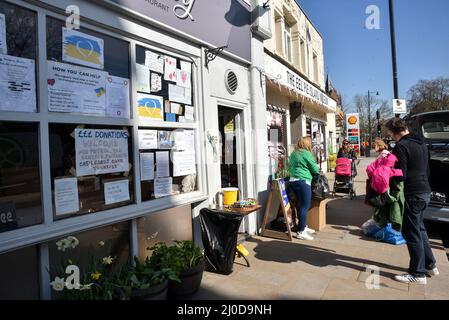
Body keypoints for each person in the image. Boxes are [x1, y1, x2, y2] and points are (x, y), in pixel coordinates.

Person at [385, 117, 439, 284]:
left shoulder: (401, 146)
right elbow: (428, 169)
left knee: (412, 233)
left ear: (394, 131)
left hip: (413, 193)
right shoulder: (421, 143)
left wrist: (388, 168)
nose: (390, 136)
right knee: (420, 230)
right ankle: (430, 264)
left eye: (390, 133)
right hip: (425, 191)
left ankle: (418, 273)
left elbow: (402, 174)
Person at [288, 137, 320, 240]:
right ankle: (301, 232)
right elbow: (315, 169)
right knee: (305, 206)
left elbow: (290, 167)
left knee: (299, 205)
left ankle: (303, 226)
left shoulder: (294, 153)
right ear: (307, 144)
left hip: (293, 181)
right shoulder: (306, 153)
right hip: (303, 181)